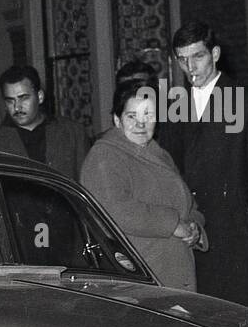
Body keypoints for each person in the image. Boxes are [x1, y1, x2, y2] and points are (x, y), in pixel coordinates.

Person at [162, 21, 248, 315]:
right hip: (194, 236)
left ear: (215, 54)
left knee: (242, 323)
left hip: (238, 240)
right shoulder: (175, 105)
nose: (190, 67)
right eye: (182, 59)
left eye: (198, 56)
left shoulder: (245, 101)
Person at [81, 81, 206, 290]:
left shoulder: (160, 154)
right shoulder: (104, 157)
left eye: (148, 115)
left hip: (172, 276)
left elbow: (187, 203)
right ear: (117, 120)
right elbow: (115, 210)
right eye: (132, 116)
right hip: (140, 279)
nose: (141, 124)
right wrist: (173, 225)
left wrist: (195, 228)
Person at [0, 64, 89, 180]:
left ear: (40, 97)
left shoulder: (73, 132)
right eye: (10, 101)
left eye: (23, 98)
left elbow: (87, 183)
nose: (17, 108)